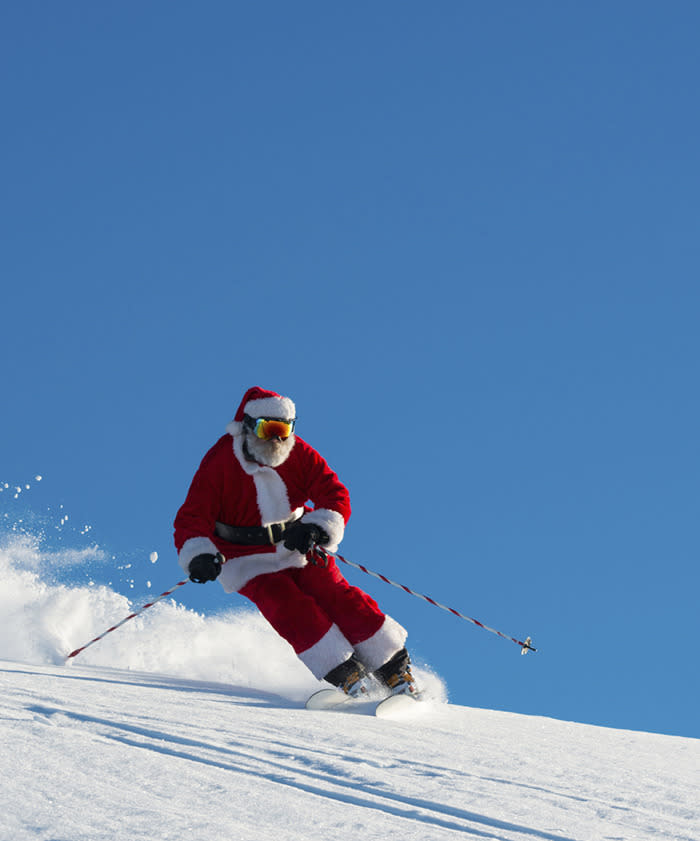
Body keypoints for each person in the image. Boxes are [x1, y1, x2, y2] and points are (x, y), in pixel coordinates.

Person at [173, 385, 418, 699]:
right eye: (269, 429)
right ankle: (348, 675)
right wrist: (199, 554)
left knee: (334, 594)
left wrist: (317, 528)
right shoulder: (220, 462)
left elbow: (334, 494)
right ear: (248, 427)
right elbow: (193, 515)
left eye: (284, 430)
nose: (277, 439)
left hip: (297, 543)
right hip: (246, 557)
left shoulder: (298, 453)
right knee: (286, 606)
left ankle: (395, 669)